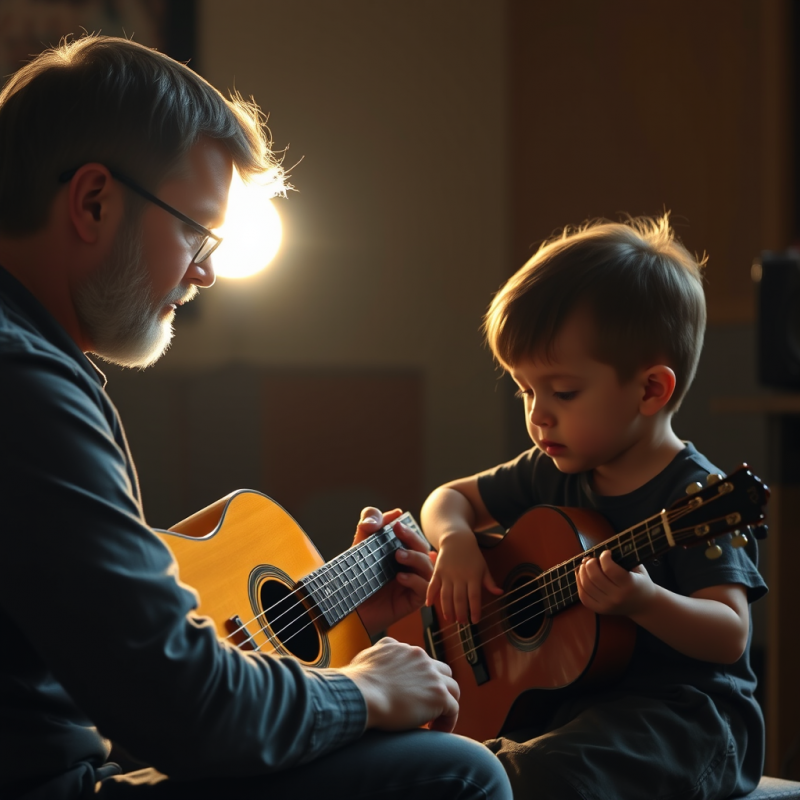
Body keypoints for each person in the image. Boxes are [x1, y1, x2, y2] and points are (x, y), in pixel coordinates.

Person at [0, 35, 512, 800]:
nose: (206, 270)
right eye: (195, 231)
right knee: (458, 771)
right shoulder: (26, 385)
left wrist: (332, 619)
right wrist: (364, 691)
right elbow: (178, 706)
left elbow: (105, 636)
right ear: (93, 201)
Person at [421, 215, 767, 799]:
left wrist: (644, 600)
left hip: (687, 721)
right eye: (526, 390)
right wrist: (455, 541)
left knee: (541, 773)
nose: (537, 416)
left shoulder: (696, 499)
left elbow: (729, 634)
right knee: (436, 756)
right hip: (578, 706)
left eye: (563, 392)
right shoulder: (553, 469)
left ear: (651, 389)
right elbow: (449, 499)